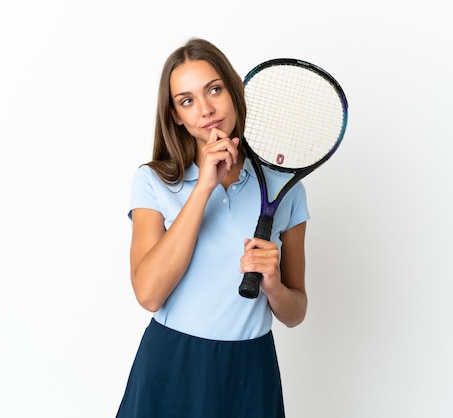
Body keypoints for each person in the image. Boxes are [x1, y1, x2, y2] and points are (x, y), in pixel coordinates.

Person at [116, 38, 309, 418]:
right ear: (175, 115)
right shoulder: (153, 182)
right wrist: (203, 186)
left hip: (251, 370)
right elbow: (149, 294)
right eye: (187, 101)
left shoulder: (285, 189)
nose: (205, 110)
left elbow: (295, 311)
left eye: (214, 90)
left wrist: (274, 287)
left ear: (235, 88)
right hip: (173, 366)